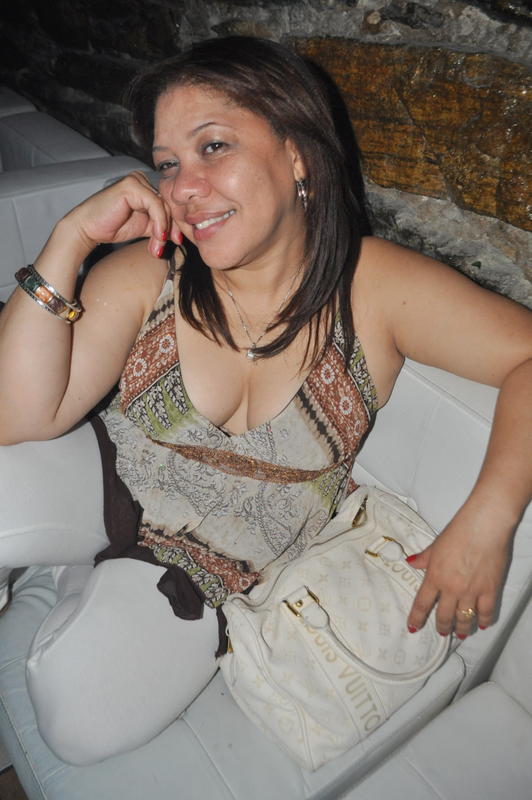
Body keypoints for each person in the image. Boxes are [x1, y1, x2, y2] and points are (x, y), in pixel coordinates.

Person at [0, 36, 530, 766]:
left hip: (204, 569)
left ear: (298, 154)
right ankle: (58, 563)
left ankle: (65, 578)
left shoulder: (374, 287)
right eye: (167, 163)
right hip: (100, 485)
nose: (183, 187)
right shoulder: (151, 273)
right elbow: (19, 418)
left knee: (80, 724)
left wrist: (487, 519)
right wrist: (69, 240)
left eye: (213, 146)